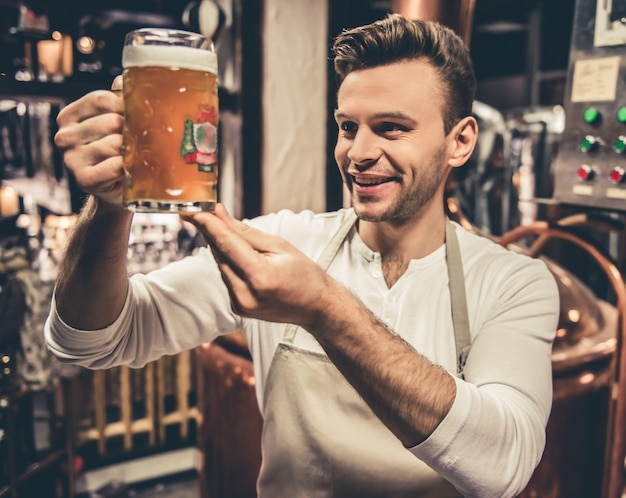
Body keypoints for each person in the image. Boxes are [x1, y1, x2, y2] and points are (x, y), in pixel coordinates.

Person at [45, 13, 559, 498]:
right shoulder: (287, 240)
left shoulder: (513, 281)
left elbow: (502, 468)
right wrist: (110, 208)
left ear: (460, 142)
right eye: (347, 126)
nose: (357, 153)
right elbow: (90, 341)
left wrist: (322, 308)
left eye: (392, 128)